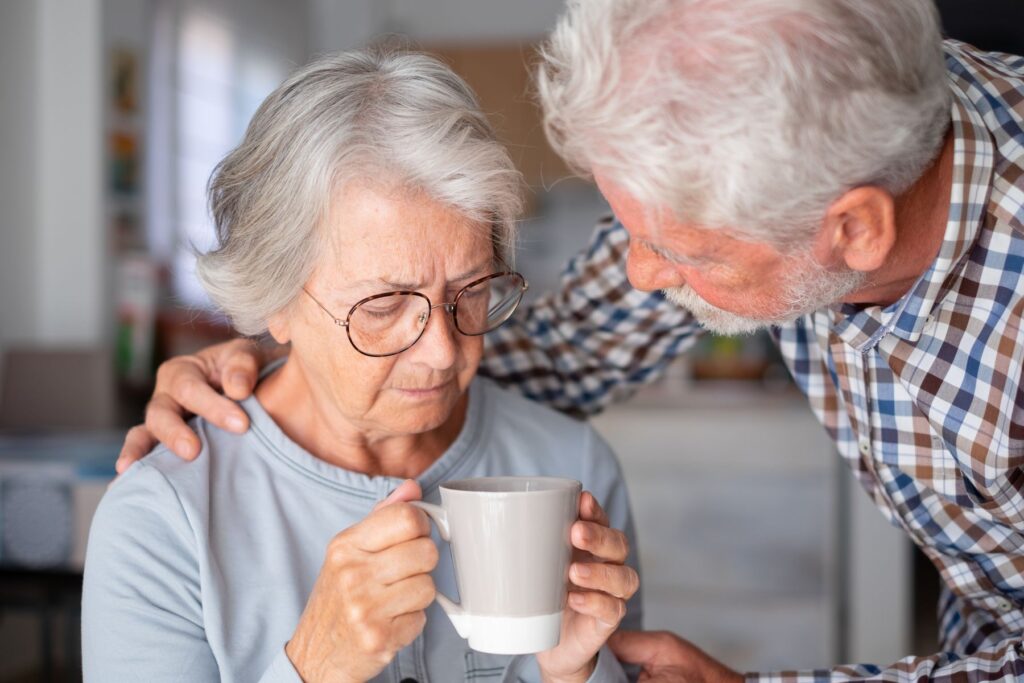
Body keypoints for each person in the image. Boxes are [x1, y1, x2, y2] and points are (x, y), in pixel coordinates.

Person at [118, 0, 1024, 680]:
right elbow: (545, 350)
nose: (636, 274)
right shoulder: (826, 121)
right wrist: (285, 353)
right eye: (628, 223)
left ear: (854, 233)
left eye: (680, 249)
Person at [83, 49, 642, 683]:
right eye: (383, 306)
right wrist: (313, 666)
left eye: (473, 290)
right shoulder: (161, 521)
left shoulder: (577, 470)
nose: (441, 351)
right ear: (275, 302)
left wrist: (575, 673)